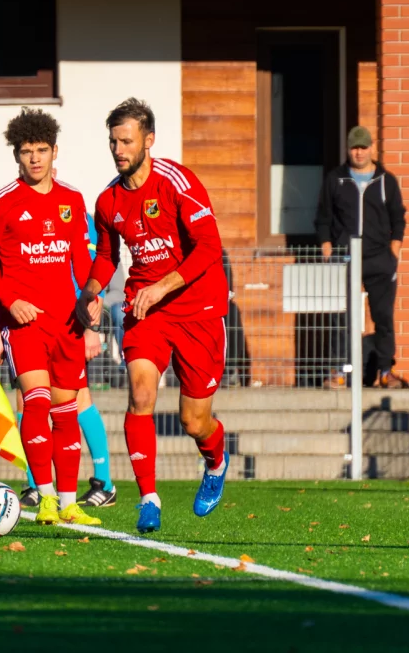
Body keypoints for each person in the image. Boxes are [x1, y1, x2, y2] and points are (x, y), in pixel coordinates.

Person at [79, 97, 230, 534]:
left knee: (193, 422)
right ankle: (149, 498)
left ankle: (216, 461)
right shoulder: (108, 200)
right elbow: (106, 256)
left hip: (199, 309)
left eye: (126, 141)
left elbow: (209, 246)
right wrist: (90, 292)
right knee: (141, 396)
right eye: (113, 142)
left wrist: (163, 286)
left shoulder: (177, 182)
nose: (118, 150)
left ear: (149, 141)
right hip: (147, 311)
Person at [0, 108, 101, 527]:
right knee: (37, 401)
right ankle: (45, 497)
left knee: (66, 410)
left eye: (41, 150)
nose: (35, 158)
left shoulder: (72, 199)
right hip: (24, 324)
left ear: (54, 151)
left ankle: (70, 503)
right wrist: (11, 302)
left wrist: (92, 298)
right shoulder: (0, 201)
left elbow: (81, 259)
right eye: (26, 151)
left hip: (68, 323)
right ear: (16, 155)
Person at [0, 206, 116, 510]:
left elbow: (91, 274)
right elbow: (7, 279)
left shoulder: (74, 212)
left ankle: (104, 482)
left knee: (77, 400)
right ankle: (37, 483)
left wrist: (91, 328)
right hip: (28, 325)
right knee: (26, 400)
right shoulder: (16, 208)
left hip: (68, 323)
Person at [315, 126, 409, 389]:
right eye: (354, 148)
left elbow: (398, 218)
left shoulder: (386, 181)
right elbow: (323, 217)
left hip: (379, 258)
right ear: (348, 149)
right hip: (344, 257)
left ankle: (386, 371)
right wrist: (327, 247)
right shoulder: (335, 179)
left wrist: (394, 251)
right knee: (341, 316)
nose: (359, 152)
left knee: (383, 316)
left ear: (372, 148)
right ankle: (340, 371)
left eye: (363, 147)